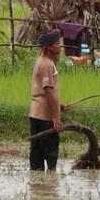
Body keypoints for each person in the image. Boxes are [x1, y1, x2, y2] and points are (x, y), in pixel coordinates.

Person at [29, 29, 65, 171]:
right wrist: (56, 117)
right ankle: (50, 188)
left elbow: (45, 92)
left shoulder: (42, 61)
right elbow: (48, 91)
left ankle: (38, 190)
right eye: (57, 43)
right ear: (49, 47)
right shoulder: (47, 65)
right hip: (45, 117)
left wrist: (59, 106)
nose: (60, 46)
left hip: (36, 113)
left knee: (36, 157)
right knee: (51, 155)